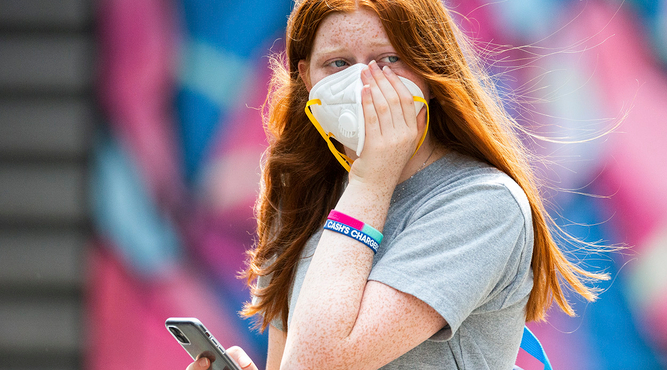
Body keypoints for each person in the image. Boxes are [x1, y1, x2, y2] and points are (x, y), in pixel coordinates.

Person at [187, 0, 606, 369]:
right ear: (307, 78)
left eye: (387, 60)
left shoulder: (484, 205)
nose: (363, 83)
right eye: (338, 64)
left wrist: (371, 179)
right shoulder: (301, 197)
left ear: (428, 68)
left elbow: (318, 363)